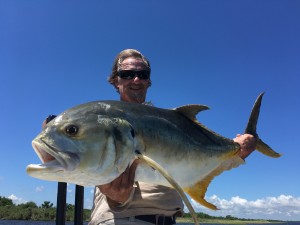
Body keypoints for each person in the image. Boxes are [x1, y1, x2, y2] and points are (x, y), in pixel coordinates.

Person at [88, 49, 256, 225]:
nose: (136, 79)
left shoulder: (169, 124)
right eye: (127, 74)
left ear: (148, 80)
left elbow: (201, 160)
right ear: (116, 80)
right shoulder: (103, 120)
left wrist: (237, 153)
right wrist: (115, 199)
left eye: (142, 74)